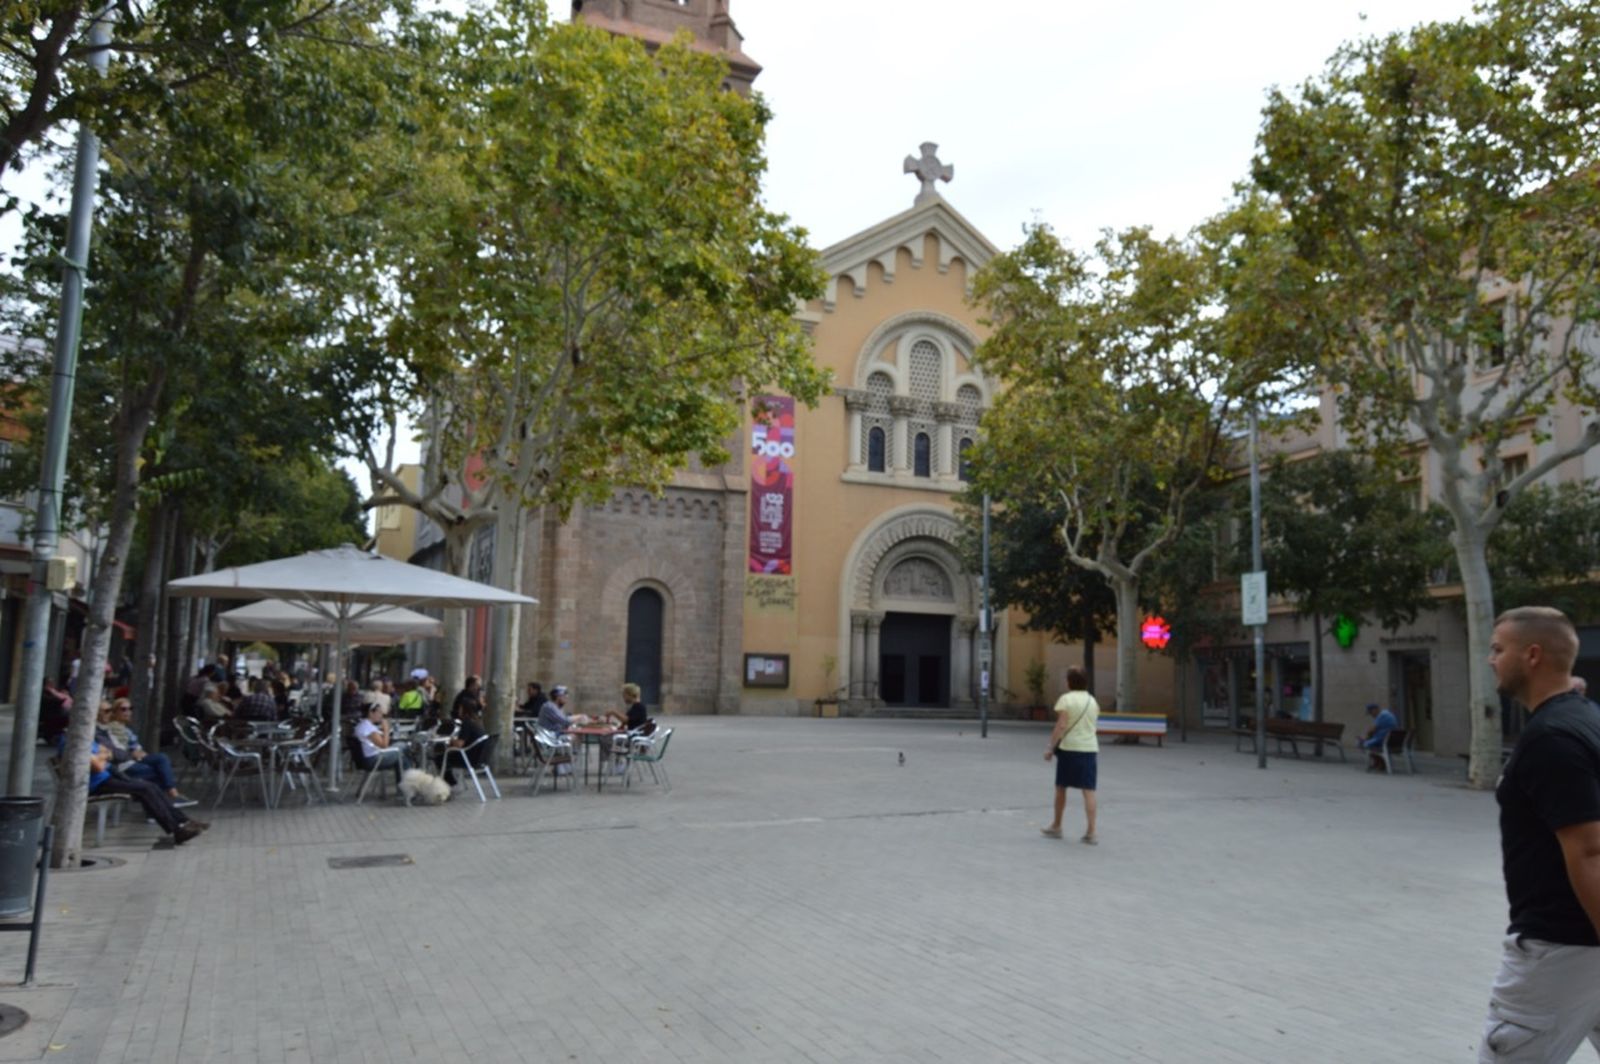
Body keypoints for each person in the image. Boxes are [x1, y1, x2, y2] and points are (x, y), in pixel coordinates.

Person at [1479, 606, 1600, 1063]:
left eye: (1497, 649)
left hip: (1559, 952)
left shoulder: (1551, 739)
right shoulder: (1584, 716)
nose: (1490, 659)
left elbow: (1589, 851)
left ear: (1531, 655)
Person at [65, 735, 206, 845]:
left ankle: (183, 822)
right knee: (145, 788)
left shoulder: (87, 739)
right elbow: (99, 766)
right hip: (98, 784)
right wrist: (103, 756)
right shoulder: (75, 741)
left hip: (109, 777)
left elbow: (107, 753)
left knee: (150, 786)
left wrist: (102, 756)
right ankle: (177, 830)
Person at [97, 698, 198, 807]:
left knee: (161, 760)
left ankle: (167, 801)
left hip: (127, 761)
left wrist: (136, 752)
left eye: (130, 709)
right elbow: (117, 752)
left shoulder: (112, 728)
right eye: (123, 709)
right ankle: (170, 798)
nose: (128, 712)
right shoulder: (110, 729)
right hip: (122, 765)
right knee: (157, 771)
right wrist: (133, 754)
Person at [1042, 666, 1099, 844]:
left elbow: (1061, 725)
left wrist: (1050, 748)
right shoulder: (1092, 701)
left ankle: (1057, 826)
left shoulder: (1066, 700)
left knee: (1061, 787)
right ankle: (1091, 831)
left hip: (1069, 749)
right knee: (1088, 790)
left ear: (1069, 682)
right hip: (1089, 749)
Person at [352, 703, 410, 784]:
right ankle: (407, 785)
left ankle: (406, 786)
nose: (381, 715)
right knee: (403, 752)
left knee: (402, 749)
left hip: (368, 757)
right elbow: (384, 745)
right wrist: (386, 729)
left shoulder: (363, 725)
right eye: (379, 712)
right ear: (371, 713)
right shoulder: (368, 728)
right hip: (373, 760)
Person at [439, 701, 487, 787]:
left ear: (465, 710)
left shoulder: (467, 723)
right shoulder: (478, 722)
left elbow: (459, 744)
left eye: (460, 709)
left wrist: (451, 741)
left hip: (468, 757)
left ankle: (451, 783)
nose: (458, 711)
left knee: (440, 758)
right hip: (479, 757)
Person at [1358, 702, 1400, 771]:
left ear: (1375, 710)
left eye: (1371, 712)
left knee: (1362, 743)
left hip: (1384, 741)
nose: (1371, 715)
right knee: (1367, 742)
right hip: (1391, 741)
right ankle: (1378, 763)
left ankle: (1380, 763)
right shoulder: (1387, 713)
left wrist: (1364, 737)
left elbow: (1372, 730)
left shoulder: (1382, 716)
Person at [39, 678, 71, 744]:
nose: (52, 685)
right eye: (50, 683)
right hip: (50, 714)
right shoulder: (45, 692)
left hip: (54, 712)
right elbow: (58, 700)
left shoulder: (52, 691)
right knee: (67, 716)